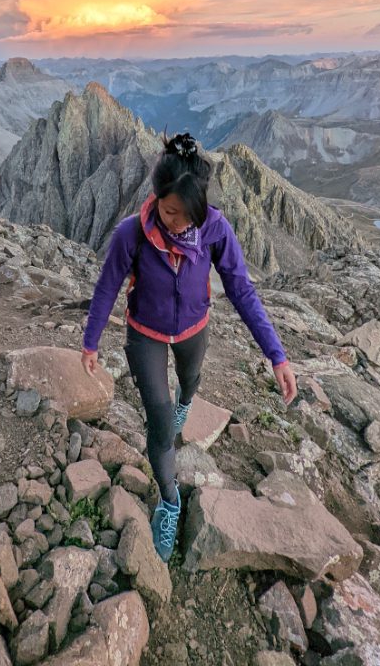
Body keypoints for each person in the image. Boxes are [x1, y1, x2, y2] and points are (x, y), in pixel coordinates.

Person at [81, 133, 297, 562]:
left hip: (194, 329)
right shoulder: (132, 234)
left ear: (201, 208)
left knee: (191, 380)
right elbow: (107, 286)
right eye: (167, 211)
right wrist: (91, 341)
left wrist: (277, 355)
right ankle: (169, 499)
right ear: (155, 197)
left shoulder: (215, 230)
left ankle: (186, 400)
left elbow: (242, 292)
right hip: (145, 335)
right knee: (161, 426)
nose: (175, 223)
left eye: (184, 215)